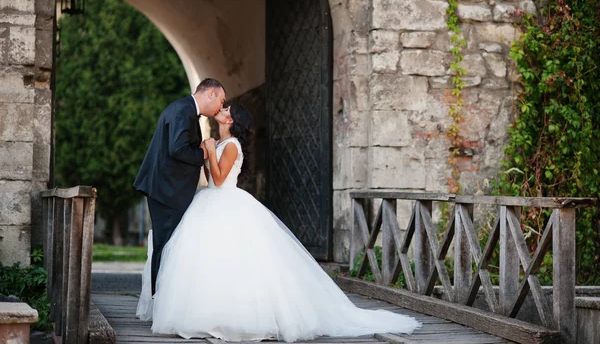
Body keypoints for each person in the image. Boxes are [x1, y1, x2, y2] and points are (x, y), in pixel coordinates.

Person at [136, 103, 421, 342]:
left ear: (231, 120)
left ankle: (241, 316)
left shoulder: (232, 145)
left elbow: (221, 179)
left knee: (238, 260)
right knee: (210, 260)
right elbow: (210, 177)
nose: (221, 109)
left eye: (226, 109)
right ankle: (208, 312)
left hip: (227, 202)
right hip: (209, 201)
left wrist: (209, 152)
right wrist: (210, 150)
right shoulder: (220, 142)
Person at [133, 78, 226, 296]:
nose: (220, 107)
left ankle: (162, 298)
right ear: (210, 93)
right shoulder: (184, 110)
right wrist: (204, 152)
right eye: (221, 101)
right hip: (166, 191)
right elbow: (178, 149)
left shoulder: (185, 109)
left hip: (167, 189)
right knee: (165, 247)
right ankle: (159, 300)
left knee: (166, 246)